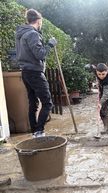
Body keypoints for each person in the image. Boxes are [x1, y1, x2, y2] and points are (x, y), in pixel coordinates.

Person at [15, 9, 57, 138]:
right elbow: (40, 54)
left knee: (33, 103)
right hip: (34, 72)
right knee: (47, 102)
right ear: (39, 21)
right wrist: (50, 45)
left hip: (26, 72)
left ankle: (35, 132)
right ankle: (39, 131)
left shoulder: (21, 34)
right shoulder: (32, 34)